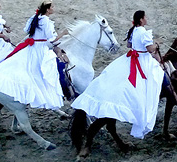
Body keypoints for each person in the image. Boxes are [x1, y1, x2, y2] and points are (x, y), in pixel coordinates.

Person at [71, 10, 166, 138]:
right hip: (143, 60)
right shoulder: (144, 32)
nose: (146, 19)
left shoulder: (133, 30)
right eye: (145, 17)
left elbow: (129, 44)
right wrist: (157, 43)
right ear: (142, 20)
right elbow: (150, 49)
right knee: (158, 75)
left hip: (131, 58)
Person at [0, 0, 67, 110]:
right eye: (52, 7)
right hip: (40, 49)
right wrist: (63, 33)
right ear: (47, 9)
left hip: (31, 47)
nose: (54, 8)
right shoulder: (46, 21)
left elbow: (26, 29)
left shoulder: (35, 17)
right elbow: (52, 40)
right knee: (46, 72)